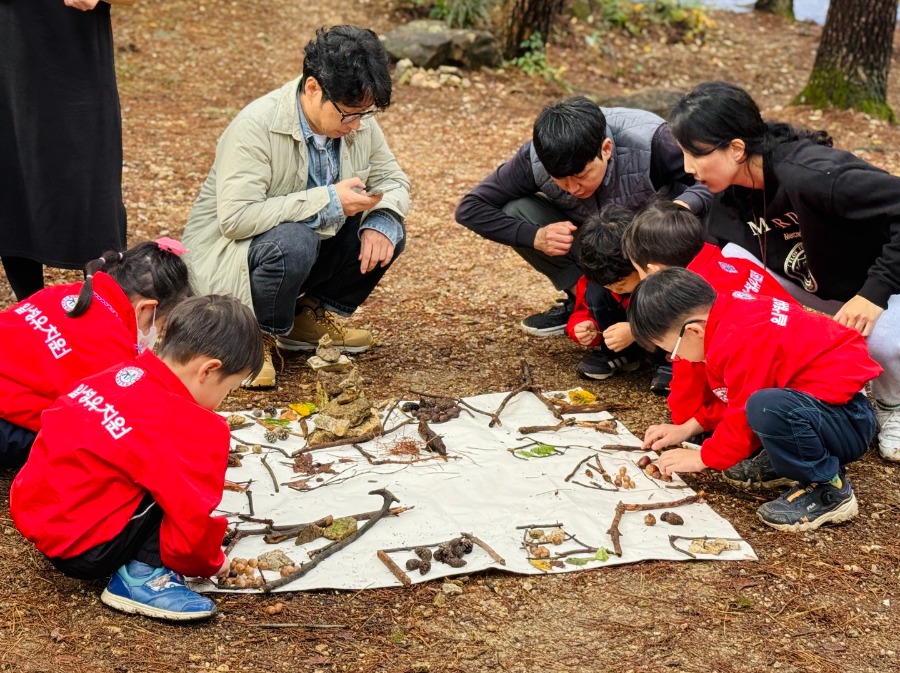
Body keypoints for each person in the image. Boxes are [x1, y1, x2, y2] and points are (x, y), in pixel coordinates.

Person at [668, 81, 900, 461]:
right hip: (817, 282)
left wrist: (875, 292)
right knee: (730, 262)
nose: (687, 167)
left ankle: (893, 404)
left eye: (695, 154)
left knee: (884, 342)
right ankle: (780, 388)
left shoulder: (815, 176)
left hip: (879, 281)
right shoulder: (728, 196)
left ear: (737, 148)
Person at [182, 25, 410, 388]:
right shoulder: (256, 125)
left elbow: (394, 181)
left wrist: (381, 218)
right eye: (348, 115)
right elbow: (236, 219)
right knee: (294, 240)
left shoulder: (356, 120)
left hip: (303, 243)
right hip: (235, 255)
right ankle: (256, 335)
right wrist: (329, 199)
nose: (354, 126)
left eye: (363, 115)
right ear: (313, 88)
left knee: (388, 230)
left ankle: (305, 317)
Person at [10, 295, 264, 621]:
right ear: (208, 370)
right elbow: (191, 518)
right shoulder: (196, 426)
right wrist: (212, 561)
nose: (223, 400)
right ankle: (142, 576)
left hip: (36, 514)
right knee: (176, 485)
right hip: (85, 548)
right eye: (229, 389)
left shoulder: (120, 372)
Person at [629, 268, 880, 532]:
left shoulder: (740, 340)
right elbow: (735, 395)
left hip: (846, 418)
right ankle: (788, 463)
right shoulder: (731, 315)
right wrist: (689, 427)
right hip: (826, 410)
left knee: (765, 406)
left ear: (693, 331)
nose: (677, 359)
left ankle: (829, 488)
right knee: (764, 404)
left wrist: (704, 457)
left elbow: (744, 412)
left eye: (673, 351)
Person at [455, 95, 710, 337]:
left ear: (606, 149)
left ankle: (671, 312)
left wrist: (679, 208)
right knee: (517, 209)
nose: (573, 189)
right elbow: (471, 207)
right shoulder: (535, 158)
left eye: (581, 175)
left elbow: (713, 180)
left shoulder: (651, 141)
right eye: (559, 180)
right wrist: (536, 236)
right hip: (599, 250)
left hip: (655, 249)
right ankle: (587, 305)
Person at [0, 239, 191, 469]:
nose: (155, 335)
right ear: (146, 309)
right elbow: (114, 425)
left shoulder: (65, 293)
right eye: (159, 326)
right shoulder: (115, 350)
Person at [623, 199, 798, 446]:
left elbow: (690, 371)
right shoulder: (733, 262)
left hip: (784, 391)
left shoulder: (687, 305)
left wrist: (684, 422)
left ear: (653, 271)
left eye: (639, 272)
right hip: (800, 361)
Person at [0, 0, 133, 301]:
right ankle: (32, 312)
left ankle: (108, 312)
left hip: (75, 62)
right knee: (13, 184)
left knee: (90, 190)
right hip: (8, 47)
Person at [565, 205, 644, 382]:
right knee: (595, 292)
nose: (615, 289)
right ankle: (620, 355)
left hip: (663, 341)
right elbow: (580, 313)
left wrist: (636, 330)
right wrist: (584, 328)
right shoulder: (596, 281)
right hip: (623, 339)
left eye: (621, 282)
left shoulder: (659, 275)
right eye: (607, 284)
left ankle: (668, 364)